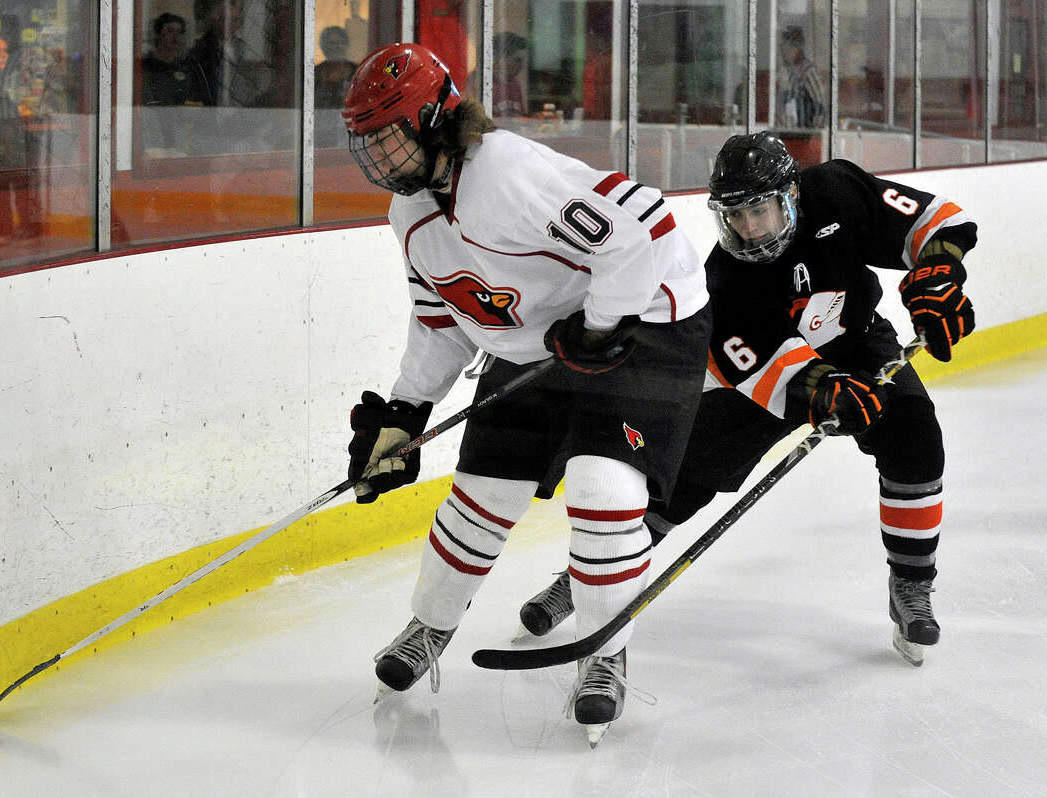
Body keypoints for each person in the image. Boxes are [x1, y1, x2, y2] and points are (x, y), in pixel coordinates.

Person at [341, 43, 710, 744]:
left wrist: (602, 326)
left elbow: (644, 225)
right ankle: (429, 626)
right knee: (482, 492)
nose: (380, 161)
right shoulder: (410, 217)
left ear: (431, 119)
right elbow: (444, 318)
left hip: (649, 321)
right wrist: (404, 412)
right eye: (369, 146)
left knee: (604, 490)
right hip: (544, 337)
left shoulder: (505, 173)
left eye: (388, 139)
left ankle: (605, 655)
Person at [518, 131, 977, 668]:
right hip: (779, 376)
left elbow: (936, 221)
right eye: (734, 216)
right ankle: (583, 579)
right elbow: (766, 369)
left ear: (791, 195)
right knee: (686, 479)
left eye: (759, 209)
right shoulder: (724, 280)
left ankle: (912, 586)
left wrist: (938, 275)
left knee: (915, 432)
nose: (749, 228)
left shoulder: (836, 192)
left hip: (858, 340)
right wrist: (822, 390)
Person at [0, 33, 41, 244]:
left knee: (17, 182)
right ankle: (2, 226)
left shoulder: (10, 76)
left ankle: (25, 227)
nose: (3, 55)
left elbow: (14, 97)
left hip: (15, 130)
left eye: (5, 50)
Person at [776, 25, 826, 128]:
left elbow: (820, 105)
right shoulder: (787, 72)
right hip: (786, 134)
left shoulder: (808, 72)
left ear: (797, 48)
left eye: (788, 47)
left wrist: (814, 135)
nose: (783, 52)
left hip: (803, 136)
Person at [313, 26, 358, 110]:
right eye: (331, 43)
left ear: (346, 45)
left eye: (340, 43)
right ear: (323, 47)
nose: (336, 47)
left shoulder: (358, 73)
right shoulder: (315, 73)